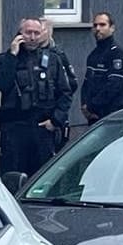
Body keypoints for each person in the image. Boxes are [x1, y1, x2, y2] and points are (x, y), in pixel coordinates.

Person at [0, 17, 74, 176]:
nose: (33, 37)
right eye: (29, 33)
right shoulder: (3, 60)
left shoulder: (52, 60)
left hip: (42, 128)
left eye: (37, 33)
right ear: (20, 33)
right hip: (14, 129)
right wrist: (12, 56)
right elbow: (2, 84)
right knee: (13, 175)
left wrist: (56, 120)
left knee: (41, 176)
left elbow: (65, 92)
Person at [81, 11, 123, 124]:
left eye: (102, 25)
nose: (98, 28)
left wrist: (92, 105)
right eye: (95, 25)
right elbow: (86, 84)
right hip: (94, 116)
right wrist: (85, 107)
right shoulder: (93, 55)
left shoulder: (119, 54)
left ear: (112, 28)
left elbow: (115, 85)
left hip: (114, 116)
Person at [39, 16, 79, 150]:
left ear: (49, 32)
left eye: (42, 30)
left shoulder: (58, 56)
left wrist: (57, 118)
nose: (37, 34)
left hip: (53, 118)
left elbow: (71, 85)